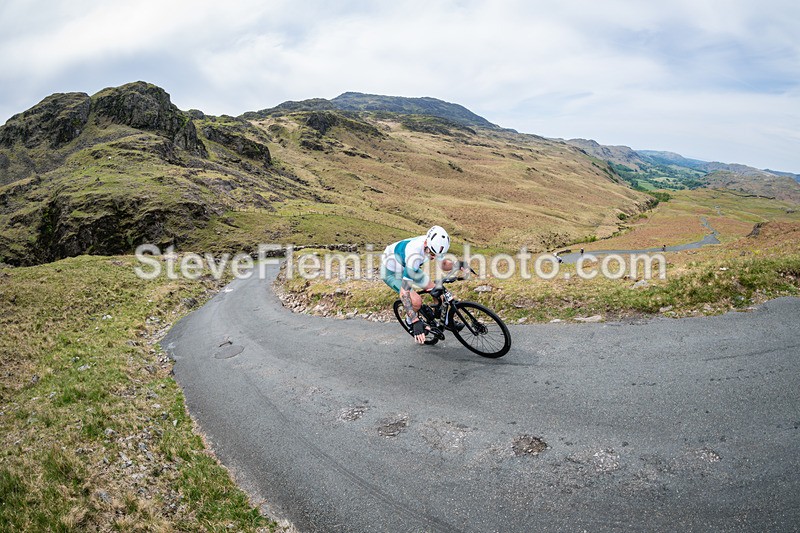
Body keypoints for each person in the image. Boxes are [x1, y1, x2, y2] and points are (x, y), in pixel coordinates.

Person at [381, 225, 464, 344]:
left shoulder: (435, 246)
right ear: (426, 243)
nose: (432, 257)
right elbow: (404, 293)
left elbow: (443, 264)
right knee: (416, 301)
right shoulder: (414, 254)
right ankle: (409, 322)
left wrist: (458, 264)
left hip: (407, 267)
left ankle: (445, 321)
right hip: (392, 272)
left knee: (438, 292)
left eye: (436, 255)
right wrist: (415, 320)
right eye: (431, 253)